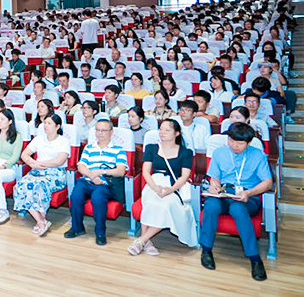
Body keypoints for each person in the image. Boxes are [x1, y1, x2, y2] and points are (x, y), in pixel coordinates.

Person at [200, 123, 273, 281]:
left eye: (239, 143)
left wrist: (248, 193)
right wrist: (214, 186)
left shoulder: (258, 155)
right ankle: (206, 250)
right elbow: (214, 177)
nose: (234, 146)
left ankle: (255, 258)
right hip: (225, 193)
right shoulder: (219, 153)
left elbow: (268, 182)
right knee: (211, 205)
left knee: (238, 209)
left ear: (249, 142)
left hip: (248, 196)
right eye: (231, 141)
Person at [129, 119, 196, 256]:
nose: (162, 132)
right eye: (161, 129)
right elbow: (145, 171)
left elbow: (185, 176)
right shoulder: (152, 148)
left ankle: (142, 240)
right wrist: (154, 187)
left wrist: (171, 190)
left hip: (173, 186)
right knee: (150, 203)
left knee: (165, 206)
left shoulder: (185, 152)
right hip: (153, 183)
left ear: (176, 133)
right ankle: (145, 241)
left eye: (167, 130)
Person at [65, 119, 128, 246]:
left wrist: (101, 172)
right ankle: (77, 228)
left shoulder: (118, 150)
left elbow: (121, 171)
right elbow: (81, 166)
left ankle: (100, 232)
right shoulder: (89, 148)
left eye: (104, 130)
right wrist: (92, 176)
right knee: (75, 196)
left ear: (111, 132)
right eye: (98, 130)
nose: (100, 133)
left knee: (97, 198)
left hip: (104, 184)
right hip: (87, 181)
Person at [13, 114, 70, 236]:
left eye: (49, 123)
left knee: (39, 186)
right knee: (21, 185)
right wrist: (31, 163)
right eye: (45, 123)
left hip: (55, 173)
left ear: (57, 126)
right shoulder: (39, 139)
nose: (46, 126)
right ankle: (40, 221)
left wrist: (40, 163)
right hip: (37, 171)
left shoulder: (63, 141)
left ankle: (41, 220)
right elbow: (24, 154)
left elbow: (59, 161)